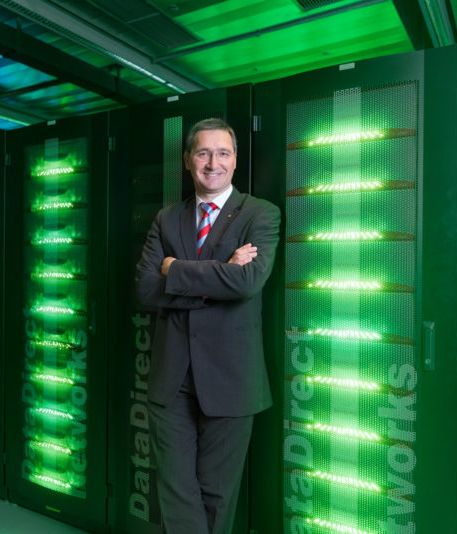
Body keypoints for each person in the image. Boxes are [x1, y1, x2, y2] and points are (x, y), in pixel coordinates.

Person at [134, 118, 280, 534]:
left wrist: (174, 269)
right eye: (202, 152)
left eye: (222, 153)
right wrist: (219, 274)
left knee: (217, 494)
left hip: (232, 377)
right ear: (187, 160)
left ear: (235, 161)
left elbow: (246, 282)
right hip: (172, 376)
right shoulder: (167, 219)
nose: (212, 162)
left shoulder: (261, 214)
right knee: (176, 490)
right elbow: (145, 289)